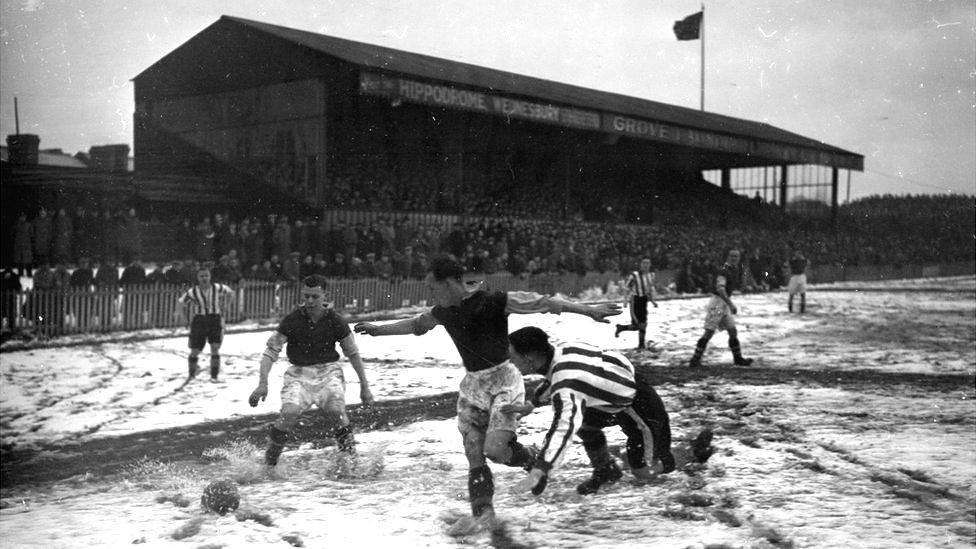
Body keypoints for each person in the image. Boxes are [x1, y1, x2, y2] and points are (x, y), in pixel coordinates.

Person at [353, 254, 620, 533]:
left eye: (433, 288)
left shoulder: (493, 301)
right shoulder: (443, 312)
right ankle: (484, 515)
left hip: (504, 381)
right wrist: (378, 330)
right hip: (473, 386)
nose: (430, 293)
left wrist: (589, 310)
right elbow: (416, 324)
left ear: (450, 283)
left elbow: (544, 302)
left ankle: (531, 458)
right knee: (473, 451)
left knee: (494, 450)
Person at [505, 326, 675, 496]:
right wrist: (531, 404)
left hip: (640, 406)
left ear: (530, 358)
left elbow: (563, 429)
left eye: (512, 358)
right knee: (584, 424)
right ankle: (606, 469)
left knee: (642, 473)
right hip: (612, 395)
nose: (510, 363)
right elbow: (554, 381)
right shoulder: (560, 351)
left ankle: (672, 461)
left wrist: (540, 470)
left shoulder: (566, 384)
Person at [248, 274, 374, 466]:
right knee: (289, 413)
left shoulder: (336, 321)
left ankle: (350, 461)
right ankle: (269, 465)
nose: (309, 301)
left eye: (315, 296)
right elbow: (270, 351)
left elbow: (353, 353)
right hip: (299, 373)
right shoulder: (292, 320)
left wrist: (365, 387)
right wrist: (262, 383)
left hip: (328, 371)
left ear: (325, 296)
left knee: (335, 410)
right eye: (306, 296)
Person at [689, 249, 753, 368]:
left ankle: (738, 359)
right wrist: (730, 304)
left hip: (723, 304)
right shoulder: (723, 271)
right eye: (732, 256)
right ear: (727, 257)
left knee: (732, 330)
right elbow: (720, 289)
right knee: (709, 332)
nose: (734, 258)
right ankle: (695, 359)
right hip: (717, 303)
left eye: (736, 256)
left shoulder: (733, 270)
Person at [176, 266, 235, 381]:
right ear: (198, 278)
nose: (204, 278)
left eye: (206, 275)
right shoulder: (193, 291)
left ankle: (214, 376)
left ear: (210, 276)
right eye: (201, 276)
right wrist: (183, 318)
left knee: (215, 347)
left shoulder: (217, 288)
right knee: (195, 350)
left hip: (214, 319)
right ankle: (191, 374)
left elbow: (231, 293)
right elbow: (180, 302)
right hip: (199, 321)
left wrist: (227, 306)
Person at [614, 257, 659, 350]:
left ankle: (623, 329)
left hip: (644, 300)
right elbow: (627, 288)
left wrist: (653, 301)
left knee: (643, 323)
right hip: (635, 300)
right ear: (641, 264)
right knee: (638, 325)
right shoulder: (634, 275)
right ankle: (640, 344)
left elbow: (650, 289)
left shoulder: (651, 275)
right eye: (644, 263)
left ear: (650, 265)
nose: (646, 265)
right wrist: (625, 301)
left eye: (648, 263)